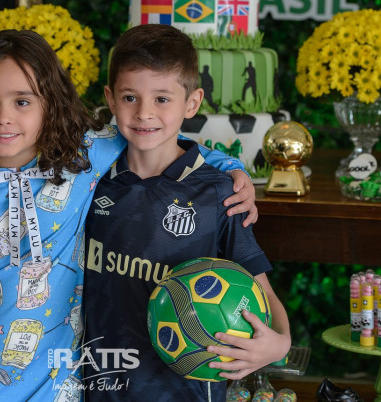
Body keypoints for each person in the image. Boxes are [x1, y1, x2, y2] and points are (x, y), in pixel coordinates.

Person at [0, 29, 256, 402]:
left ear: (50, 103)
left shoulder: (80, 159)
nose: (4, 118)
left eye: (22, 101)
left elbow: (157, 136)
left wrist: (232, 167)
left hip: (60, 389)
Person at [82, 24, 290, 401]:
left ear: (191, 103)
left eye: (162, 98)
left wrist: (281, 342)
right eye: (130, 97)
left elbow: (258, 285)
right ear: (110, 100)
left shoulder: (219, 192)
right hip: (98, 385)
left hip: (185, 392)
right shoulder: (90, 180)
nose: (144, 113)